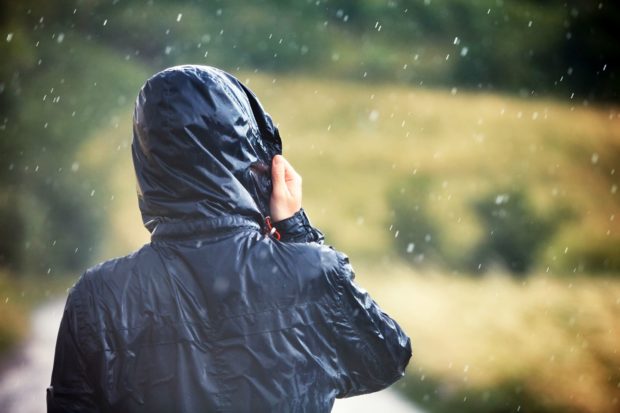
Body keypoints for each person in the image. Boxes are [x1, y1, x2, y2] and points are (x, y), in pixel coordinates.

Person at [47, 65, 412, 413]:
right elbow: (384, 360)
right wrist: (295, 228)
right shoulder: (311, 273)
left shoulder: (98, 295)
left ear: (147, 163)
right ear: (257, 162)